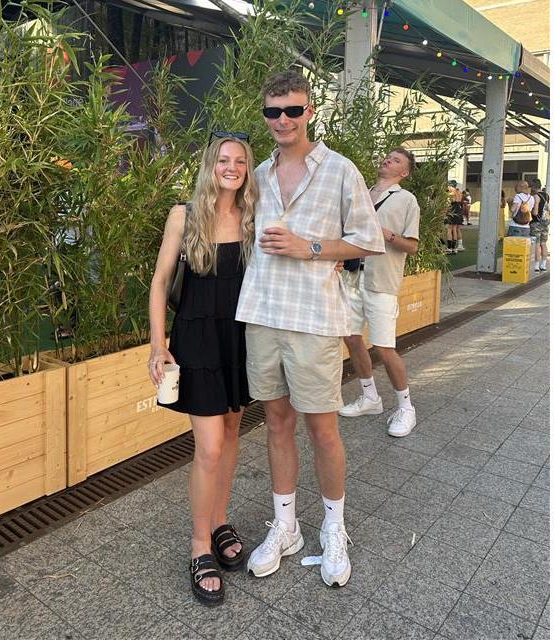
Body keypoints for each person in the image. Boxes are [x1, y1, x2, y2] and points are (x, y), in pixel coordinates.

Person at [235, 70, 385, 589]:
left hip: (315, 319)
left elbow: (368, 239)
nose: (283, 120)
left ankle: (333, 528)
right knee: (276, 424)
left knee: (323, 429)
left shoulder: (340, 169)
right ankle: (286, 526)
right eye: (273, 112)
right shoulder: (256, 174)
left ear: (310, 112)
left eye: (293, 110)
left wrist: (312, 248)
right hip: (262, 313)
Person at [148, 133, 258, 607]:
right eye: (224, 160)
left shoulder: (253, 215)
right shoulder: (185, 215)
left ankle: (219, 521)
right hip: (196, 339)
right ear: (211, 165)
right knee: (209, 447)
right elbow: (159, 283)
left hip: (239, 339)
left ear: (248, 169)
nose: (232, 167)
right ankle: (199, 546)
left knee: (231, 434)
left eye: (240, 161)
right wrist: (158, 345)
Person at [338, 148, 420, 439]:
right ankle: (370, 396)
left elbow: (412, 246)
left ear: (404, 172)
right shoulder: (361, 193)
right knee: (351, 338)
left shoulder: (406, 200)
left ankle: (406, 407)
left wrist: (386, 234)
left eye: (396, 160)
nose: (387, 160)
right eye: (387, 156)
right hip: (351, 277)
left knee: (384, 347)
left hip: (381, 281)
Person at [530, 178, 550, 272]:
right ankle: (544, 265)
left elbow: (535, 212)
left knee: (537, 244)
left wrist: (529, 210)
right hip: (545, 222)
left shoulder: (536, 196)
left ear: (533, 187)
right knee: (543, 243)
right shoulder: (546, 195)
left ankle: (537, 265)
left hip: (536, 223)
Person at [444, 180, 464, 252]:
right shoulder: (459, 192)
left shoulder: (450, 193)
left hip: (452, 210)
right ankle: (454, 248)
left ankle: (449, 248)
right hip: (458, 210)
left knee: (449, 229)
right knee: (455, 229)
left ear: (450, 186)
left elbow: (448, 204)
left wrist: (445, 212)